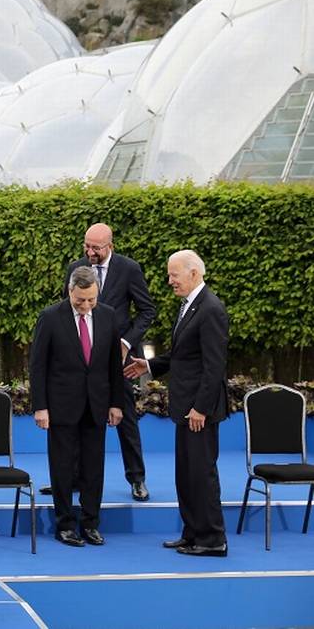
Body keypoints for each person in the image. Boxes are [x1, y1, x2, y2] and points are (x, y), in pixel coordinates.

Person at [125, 250, 228, 556]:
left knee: (201, 474)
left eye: (174, 274)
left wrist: (201, 408)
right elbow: (184, 356)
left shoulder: (211, 309)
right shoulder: (189, 306)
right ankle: (193, 532)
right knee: (186, 474)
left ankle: (212, 540)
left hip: (199, 411)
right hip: (186, 408)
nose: (170, 280)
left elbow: (214, 366)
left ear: (194, 273)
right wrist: (150, 366)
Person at [48, 223, 156, 501]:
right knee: (77, 415)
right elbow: (66, 311)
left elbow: (147, 310)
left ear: (110, 246)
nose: (90, 252)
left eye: (96, 247)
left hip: (117, 359)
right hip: (82, 360)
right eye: (87, 245)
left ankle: (137, 479)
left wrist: (125, 342)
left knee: (126, 417)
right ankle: (71, 479)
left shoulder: (129, 268)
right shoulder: (75, 268)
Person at [30, 266, 124, 548]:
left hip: (96, 405)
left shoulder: (108, 316)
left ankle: (91, 523)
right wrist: (40, 407)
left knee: (94, 467)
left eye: (91, 300)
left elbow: (112, 367)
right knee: (61, 467)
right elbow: (38, 366)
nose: (86, 306)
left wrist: (116, 403)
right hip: (61, 406)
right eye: (80, 300)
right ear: (70, 291)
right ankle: (65, 524)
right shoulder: (50, 317)